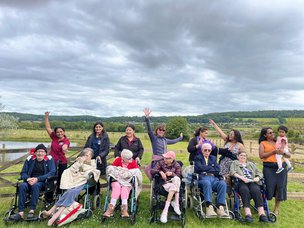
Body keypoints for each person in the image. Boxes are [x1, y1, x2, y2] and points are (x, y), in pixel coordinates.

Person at [41, 148, 100, 226]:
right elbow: (72, 170)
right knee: (68, 192)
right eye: (84, 155)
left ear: (91, 156)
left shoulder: (92, 163)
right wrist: (80, 162)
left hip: (84, 181)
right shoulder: (79, 161)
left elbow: (91, 171)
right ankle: (51, 212)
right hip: (74, 180)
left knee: (71, 192)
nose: (86, 157)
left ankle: (55, 214)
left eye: (88, 155)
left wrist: (84, 168)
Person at [9, 144, 56, 221]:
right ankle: (21, 212)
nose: (40, 153)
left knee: (36, 186)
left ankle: (32, 210)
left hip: (42, 182)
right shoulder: (30, 159)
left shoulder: (49, 160)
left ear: (45, 153)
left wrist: (37, 179)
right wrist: (28, 179)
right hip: (29, 180)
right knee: (22, 186)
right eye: (38, 151)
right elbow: (23, 172)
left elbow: (51, 173)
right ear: (35, 153)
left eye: (42, 152)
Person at [143, 108, 183, 179]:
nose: (161, 131)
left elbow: (173, 141)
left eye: (163, 130)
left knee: (177, 164)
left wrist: (180, 138)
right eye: (160, 130)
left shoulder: (165, 140)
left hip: (165, 160)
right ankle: (155, 181)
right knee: (150, 170)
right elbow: (149, 130)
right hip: (157, 160)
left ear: (164, 132)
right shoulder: (154, 138)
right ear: (157, 130)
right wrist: (147, 118)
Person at [230, 151, 269, 223]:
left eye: (245, 155)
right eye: (241, 155)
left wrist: (257, 178)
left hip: (252, 181)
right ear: (238, 157)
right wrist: (242, 177)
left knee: (256, 190)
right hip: (241, 182)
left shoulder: (251, 164)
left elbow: (259, 172)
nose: (243, 157)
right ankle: (248, 215)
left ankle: (262, 215)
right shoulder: (235, 163)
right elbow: (232, 172)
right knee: (245, 191)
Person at [258, 127, 289, 216]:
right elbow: (261, 156)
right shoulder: (263, 143)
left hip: (281, 167)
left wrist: (285, 153)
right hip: (269, 167)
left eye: (273, 132)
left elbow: (288, 155)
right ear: (265, 135)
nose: (272, 134)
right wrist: (274, 152)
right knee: (268, 186)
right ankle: (263, 207)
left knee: (280, 187)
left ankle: (276, 209)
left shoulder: (279, 141)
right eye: (270, 133)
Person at [103, 149, 142, 218]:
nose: (131, 159)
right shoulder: (118, 160)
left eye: (131, 158)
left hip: (127, 182)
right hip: (117, 180)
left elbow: (136, 172)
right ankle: (110, 208)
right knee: (117, 186)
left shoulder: (133, 162)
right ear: (123, 158)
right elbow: (112, 170)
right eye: (129, 158)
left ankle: (124, 209)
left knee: (124, 188)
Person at [194, 143, 229, 218]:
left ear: (210, 151)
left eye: (209, 150)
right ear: (202, 150)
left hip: (213, 178)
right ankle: (209, 207)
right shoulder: (198, 157)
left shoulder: (213, 158)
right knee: (206, 183)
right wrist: (211, 167)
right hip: (202, 179)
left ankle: (220, 207)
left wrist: (206, 168)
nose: (207, 152)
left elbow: (217, 170)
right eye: (205, 150)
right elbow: (199, 169)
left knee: (222, 183)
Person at [151, 151, 182, 223]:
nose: (165, 159)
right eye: (164, 157)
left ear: (172, 159)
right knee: (175, 184)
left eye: (167, 158)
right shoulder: (160, 163)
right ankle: (176, 204)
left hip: (173, 183)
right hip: (164, 183)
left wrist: (172, 173)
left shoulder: (177, 165)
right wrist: (160, 172)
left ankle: (165, 212)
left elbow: (179, 176)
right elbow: (152, 171)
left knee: (176, 179)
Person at [45, 111, 70, 194]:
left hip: (62, 162)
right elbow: (48, 128)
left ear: (64, 132)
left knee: (61, 178)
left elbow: (65, 146)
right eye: (58, 132)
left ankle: (59, 194)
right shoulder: (54, 138)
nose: (59, 133)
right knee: (51, 177)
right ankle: (50, 194)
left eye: (61, 131)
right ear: (55, 133)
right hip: (52, 162)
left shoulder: (66, 140)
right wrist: (46, 117)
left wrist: (64, 148)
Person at [84, 121, 110, 193]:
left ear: (102, 128)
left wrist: (100, 156)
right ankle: (89, 191)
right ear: (94, 128)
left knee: (97, 176)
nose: (98, 128)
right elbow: (86, 147)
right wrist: (83, 155)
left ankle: (97, 192)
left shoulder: (105, 137)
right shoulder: (91, 137)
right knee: (89, 175)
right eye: (96, 127)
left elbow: (106, 150)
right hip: (90, 159)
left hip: (99, 160)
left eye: (99, 127)